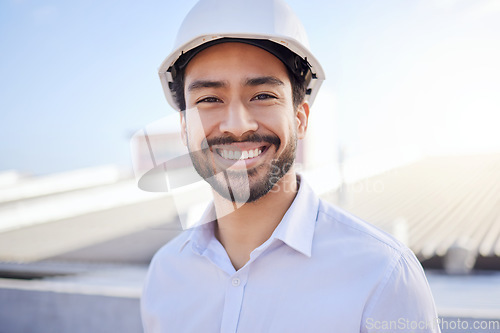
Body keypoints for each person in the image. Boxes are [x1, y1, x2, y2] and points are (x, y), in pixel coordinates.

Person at [140, 0, 441, 332]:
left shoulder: (383, 276)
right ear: (184, 128)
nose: (237, 126)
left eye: (263, 96)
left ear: (300, 119)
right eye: (209, 99)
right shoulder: (164, 275)